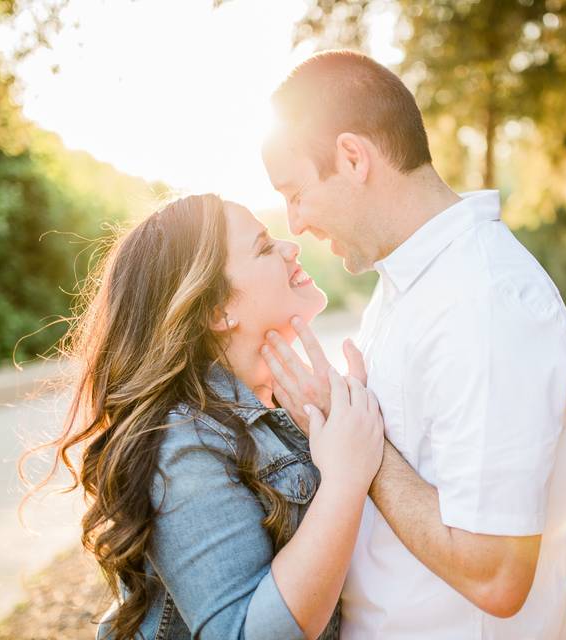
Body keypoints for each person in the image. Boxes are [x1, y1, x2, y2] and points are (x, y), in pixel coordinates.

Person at [262, 50, 566, 639]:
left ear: (353, 157)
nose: (295, 223)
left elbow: (497, 575)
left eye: (296, 192)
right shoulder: (409, 284)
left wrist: (357, 443)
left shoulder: (486, 305)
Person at [31, 194, 383, 640]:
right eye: (263, 247)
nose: (291, 248)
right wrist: (346, 479)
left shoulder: (283, 405)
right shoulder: (181, 442)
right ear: (219, 310)